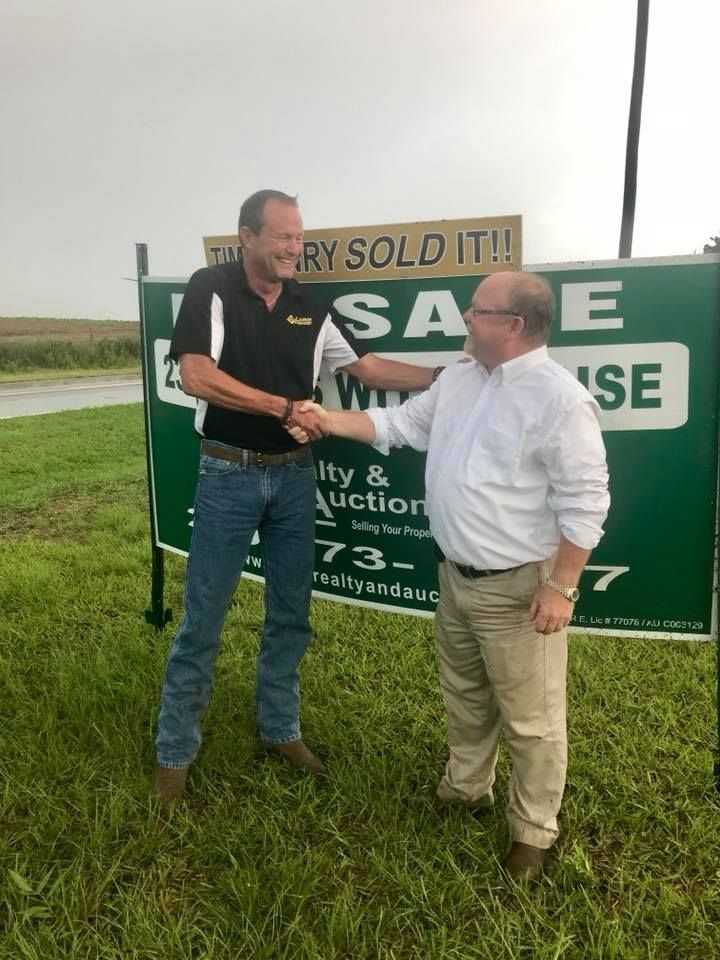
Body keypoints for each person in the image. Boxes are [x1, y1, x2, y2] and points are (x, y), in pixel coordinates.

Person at [288, 271, 610, 881]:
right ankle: (466, 790)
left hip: (519, 587)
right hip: (455, 578)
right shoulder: (460, 377)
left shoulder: (559, 400)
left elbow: (586, 501)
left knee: (532, 720)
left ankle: (533, 833)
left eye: (477, 309)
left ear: (513, 325)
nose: (465, 316)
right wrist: (326, 419)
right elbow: (400, 426)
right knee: (464, 696)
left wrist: (561, 586)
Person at [152, 189, 441, 806]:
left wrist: (449, 377)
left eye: (299, 238)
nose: (294, 248)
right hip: (227, 473)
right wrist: (283, 407)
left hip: (294, 477)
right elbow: (196, 375)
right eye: (282, 236)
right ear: (247, 236)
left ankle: (280, 729)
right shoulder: (211, 287)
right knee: (204, 618)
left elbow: (367, 370)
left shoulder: (311, 306)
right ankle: (174, 753)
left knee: (291, 613)